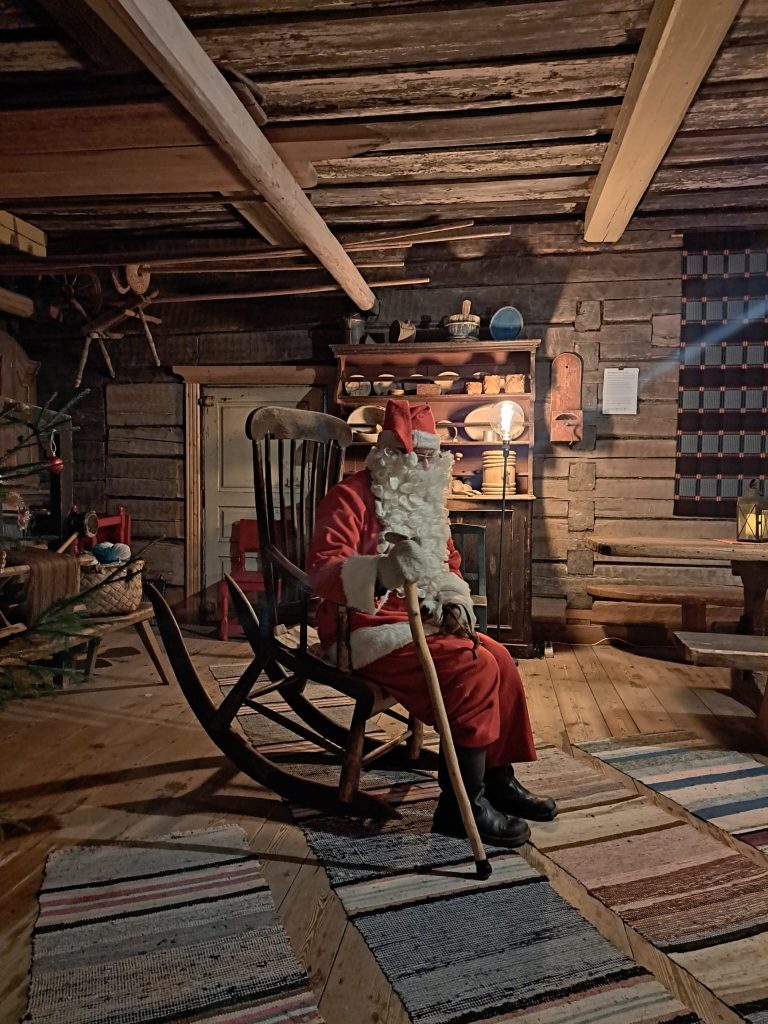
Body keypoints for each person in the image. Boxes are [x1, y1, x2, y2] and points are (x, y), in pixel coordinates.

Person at [307, 398, 556, 846]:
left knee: (500, 660)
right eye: (414, 455)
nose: (423, 465)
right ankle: (460, 807)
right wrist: (384, 570)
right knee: (474, 669)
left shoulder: (426, 504)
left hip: (422, 620)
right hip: (365, 627)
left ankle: (497, 781)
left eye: (429, 456)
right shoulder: (349, 497)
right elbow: (324, 571)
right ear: (389, 454)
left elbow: (448, 564)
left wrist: (455, 601)